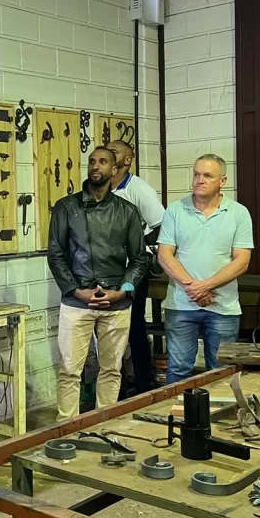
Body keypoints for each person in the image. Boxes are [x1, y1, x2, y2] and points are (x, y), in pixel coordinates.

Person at [47, 146, 147, 421]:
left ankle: (105, 424)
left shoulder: (127, 212)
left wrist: (121, 291)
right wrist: (75, 290)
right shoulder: (67, 208)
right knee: (69, 370)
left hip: (116, 303)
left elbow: (139, 260)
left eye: (103, 162)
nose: (96, 166)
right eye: (92, 161)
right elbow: (56, 254)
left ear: (114, 170)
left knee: (112, 370)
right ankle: (65, 426)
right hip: (76, 302)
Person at [157, 154, 253, 383]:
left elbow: (242, 261)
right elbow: (164, 255)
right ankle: (178, 417)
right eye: (196, 174)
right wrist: (193, 289)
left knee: (220, 372)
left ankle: (218, 417)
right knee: (178, 370)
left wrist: (206, 287)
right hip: (181, 305)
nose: (199, 180)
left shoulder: (238, 213)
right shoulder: (175, 210)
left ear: (222, 181)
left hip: (223, 307)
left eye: (207, 175)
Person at [107, 139, 164, 394]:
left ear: (127, 160)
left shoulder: (139, 189)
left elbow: (162, 227)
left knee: (134, 328)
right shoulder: (100, 187)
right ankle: (114, 391)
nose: (108, 152)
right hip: (105, 272)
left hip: (132, 271)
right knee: (108, 332)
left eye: (114, 151)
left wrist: (135, 243)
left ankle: (142, 386)